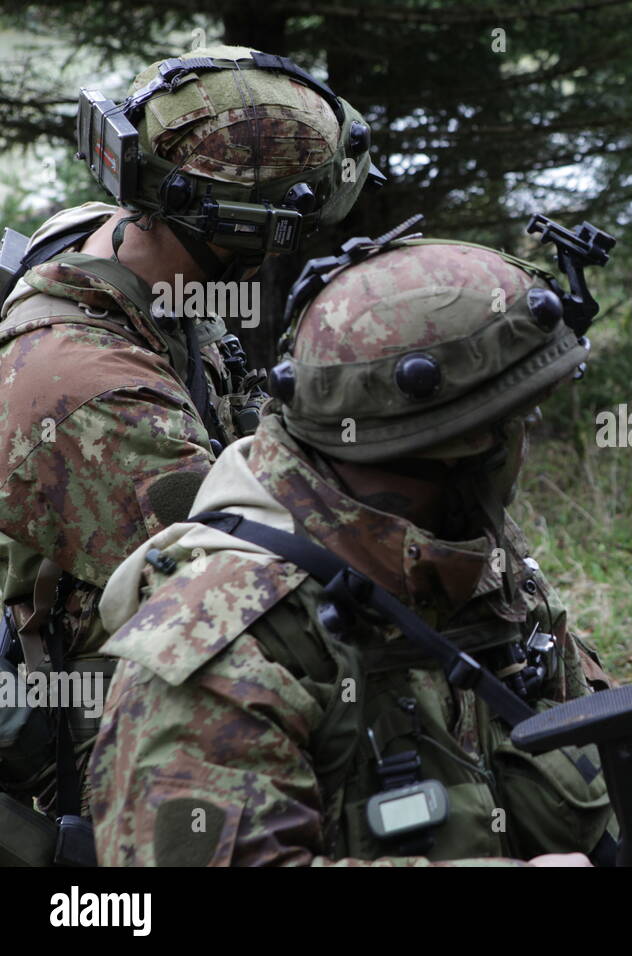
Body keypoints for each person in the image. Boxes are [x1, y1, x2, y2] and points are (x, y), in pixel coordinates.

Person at [87, 229, 613, 865]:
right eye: (517, 426)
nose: (524, 449)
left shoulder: (474, 562)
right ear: (469, 450)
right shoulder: (219, 643)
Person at [0, 44, 375, 865]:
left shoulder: (129, 257)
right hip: (92, 739)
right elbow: (249, 584)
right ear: (253, 227)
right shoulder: (87, 392)